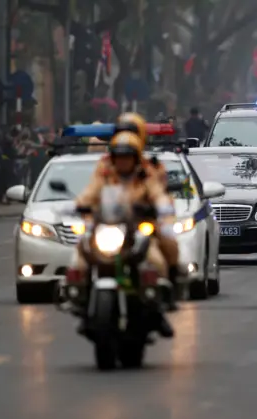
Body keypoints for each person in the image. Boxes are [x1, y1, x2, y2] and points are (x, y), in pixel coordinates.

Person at [68, 113, 179, 337]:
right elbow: (91, 191)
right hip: (108, 225)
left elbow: (159, 193)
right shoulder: (105, 167)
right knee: (80, 256)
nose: (123, 159)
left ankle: (161, 303)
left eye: (128, 154)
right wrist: (78, 206)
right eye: (119, 154)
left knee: (162, 253)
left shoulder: (149, 169)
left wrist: (163, 209)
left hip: (139, 226)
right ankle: (80, 301)